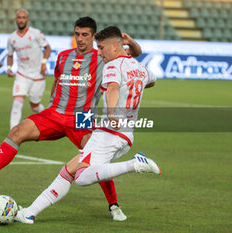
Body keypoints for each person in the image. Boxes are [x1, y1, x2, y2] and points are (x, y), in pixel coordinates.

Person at [0, 17, 142, 221]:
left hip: (82, 117)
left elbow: (132, 55)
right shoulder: (63, 56)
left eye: (85, 35)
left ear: (94, 36)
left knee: (94, 159)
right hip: (55, 112)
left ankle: (114, 205)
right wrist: (50, 101)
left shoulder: (103, 57)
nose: (80, 39)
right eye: (77, 34)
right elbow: (57, 80)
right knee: (17, 132)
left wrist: (130, 43)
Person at [14, 26, 160, 223]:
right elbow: (150, 82)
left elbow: (113, 89)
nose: (98, 52)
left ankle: (134, 164)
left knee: (81, 177)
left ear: (115, 46)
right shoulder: (140, 68)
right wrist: (133, 47)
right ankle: (29, 213)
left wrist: (111, 113)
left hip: (109, 132)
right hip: (125, 135)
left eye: (101, 48)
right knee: (68, 171)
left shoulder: (113, 66)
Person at [7, 9, 51, 129]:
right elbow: (10, 55)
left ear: (28, 19)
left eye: (23, 17)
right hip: (22, 74)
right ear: (16, 19)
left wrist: (43, 63)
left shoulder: (36, 33)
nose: (21, 20)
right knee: (17, 102)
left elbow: (48, 48)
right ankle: (13, 132)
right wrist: (9, 67)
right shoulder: (12, 38)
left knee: (34, 106)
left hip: (38, 74)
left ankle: (48, 118)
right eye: (19, 17)